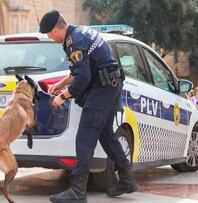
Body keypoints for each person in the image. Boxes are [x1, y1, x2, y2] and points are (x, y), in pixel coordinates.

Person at [39, 10, 138, 203]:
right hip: (111, 85)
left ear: (55, 29)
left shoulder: (74, 41)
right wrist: (61, 84)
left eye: (49, 34)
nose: (50, 38)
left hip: (103, 88)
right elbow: (80, 70)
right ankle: (126, 179)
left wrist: (63, 96)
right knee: (106, 134)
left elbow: (83, 77)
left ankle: (77, 191)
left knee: (85, 137)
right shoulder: (80, 33)